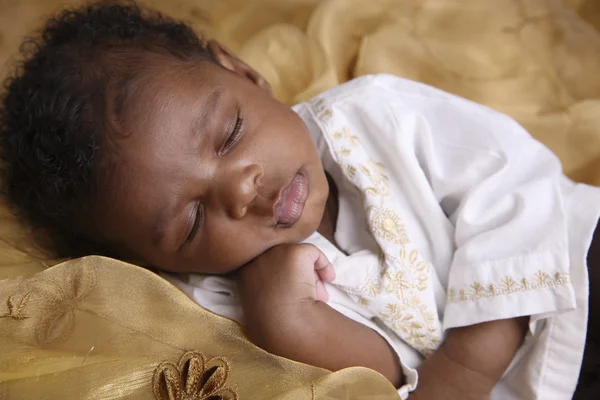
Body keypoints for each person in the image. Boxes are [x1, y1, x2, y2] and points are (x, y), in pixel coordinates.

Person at [1, 2, 598, 399]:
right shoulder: (220, 305)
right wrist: (292, 321)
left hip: (575, 272)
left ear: (244, 73)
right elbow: (380, 377)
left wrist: (468, 364)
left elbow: (514, 182)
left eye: (230, 133)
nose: (240, 187)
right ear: (153, 264)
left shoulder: (374, 116)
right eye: (192, 220)